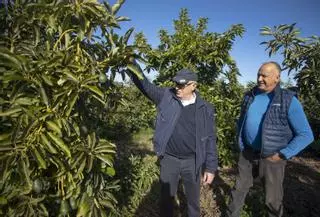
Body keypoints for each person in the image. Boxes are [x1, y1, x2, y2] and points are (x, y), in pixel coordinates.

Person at [226, 61, 314, 217]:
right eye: (258, 74)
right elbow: (241, 121)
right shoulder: (249, 95)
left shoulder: (288, 101)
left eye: (264, 75)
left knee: (272, 200)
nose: (259, 78)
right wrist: (240, 142)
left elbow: (306, 134)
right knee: (238, 191)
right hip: (247, 154)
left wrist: (282, 154)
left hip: (272, 158)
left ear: (277, 77)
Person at [128, 68, 218, 217]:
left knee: (193, 201)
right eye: (176, 84)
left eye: (181, 85)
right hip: (170, 159)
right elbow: (145, 85)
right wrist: (131, 64)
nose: (177, 88)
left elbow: (210, 138)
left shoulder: (205, 108)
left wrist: (210, 167)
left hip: (192, 161)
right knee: (166, 200)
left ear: (193, 86)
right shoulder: (166, 97)